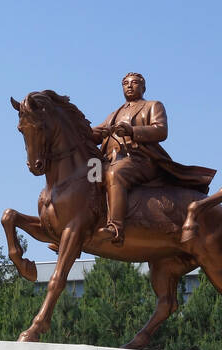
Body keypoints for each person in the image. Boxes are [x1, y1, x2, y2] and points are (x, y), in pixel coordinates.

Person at [91, 72, 215, 245]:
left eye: (134, 82)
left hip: (139, 159)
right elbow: (95, 134)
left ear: (143, 87)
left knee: (115, 174)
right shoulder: (114, 114)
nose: (129, 85)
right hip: (109, 159)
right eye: (125, 83)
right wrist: (93, 133)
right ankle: (81, 225)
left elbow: (161, 130)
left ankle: (116, 228)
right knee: (87, 173)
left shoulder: (152, 106)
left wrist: (132, 131)